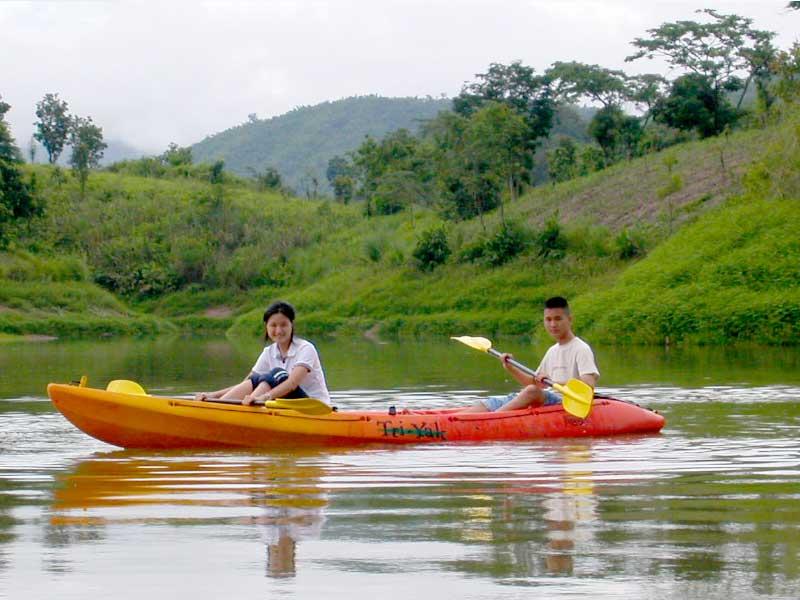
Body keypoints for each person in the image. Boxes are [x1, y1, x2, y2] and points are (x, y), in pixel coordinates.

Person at [460, 296, 599, 413]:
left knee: (532, 391)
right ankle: (450, 421)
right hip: (544, 398)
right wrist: (510, 367)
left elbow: (588, 385)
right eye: (548, 319)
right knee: (488, 404)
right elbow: (534, 383)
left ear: (569, 320)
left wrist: (554, 383)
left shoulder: (581, 348)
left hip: (565, 404)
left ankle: (489, 421)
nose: (553, 324)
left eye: (558, 319)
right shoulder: (552, 351)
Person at [195, 300, 330, 406]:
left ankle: (245, 408)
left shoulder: (306, 348)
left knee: (277, 374)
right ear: (266, 326)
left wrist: (264, 397)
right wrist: (214, 395)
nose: (278, 330)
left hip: (313, 407)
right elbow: (247, 384)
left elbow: (292, 383)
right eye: (273, 325)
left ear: (291, 325)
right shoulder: (269, 352)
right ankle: (221, 406)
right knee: (255, 379)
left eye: (283, 325)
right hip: (283, 405)